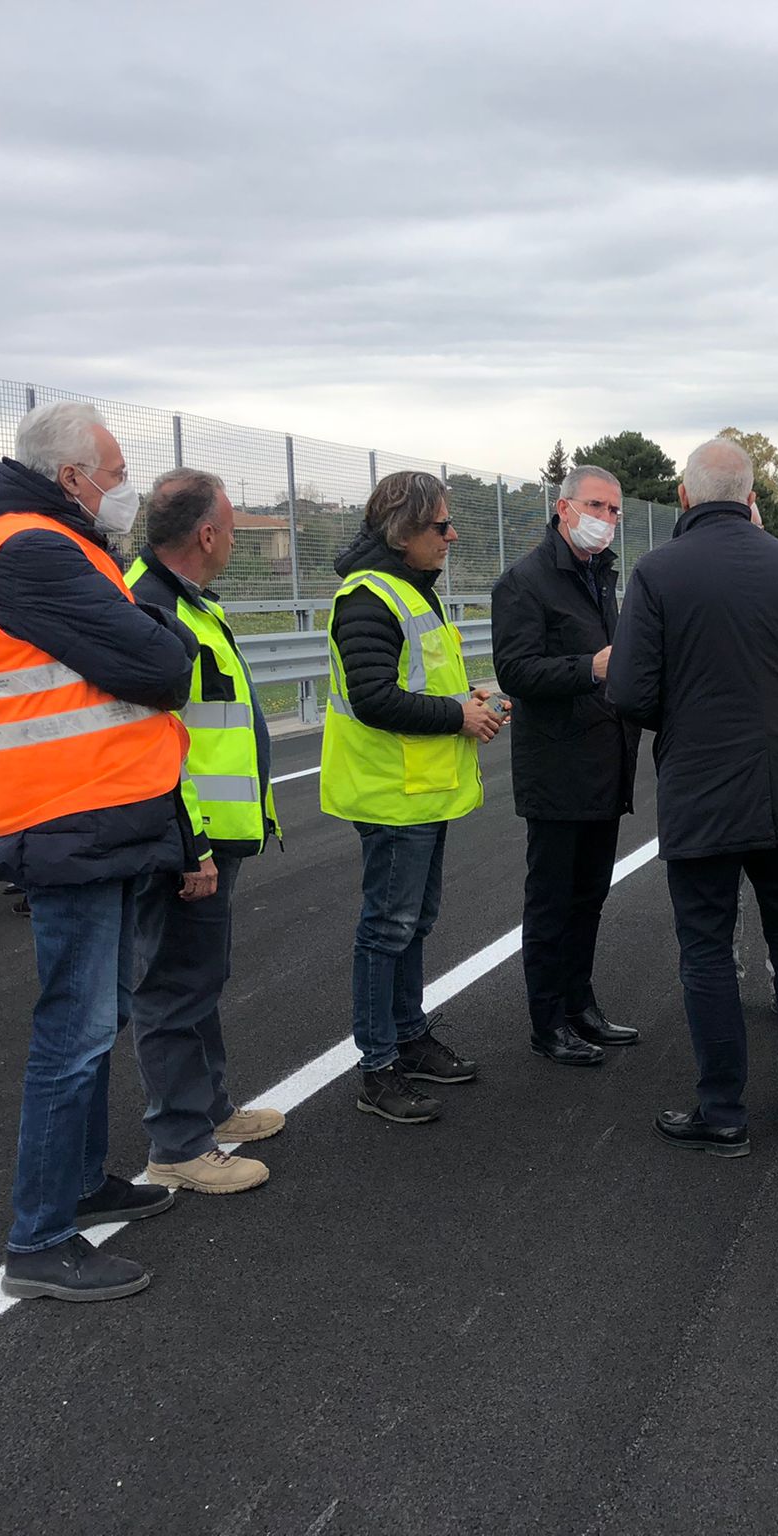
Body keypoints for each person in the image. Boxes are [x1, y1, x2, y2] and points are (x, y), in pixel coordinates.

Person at [0, 402, 198, 1302]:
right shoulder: (29, 548)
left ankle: (85, 1185)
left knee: (104, 1018)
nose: (123, 489)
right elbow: (161, 661)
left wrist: (152, 636)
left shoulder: (54, 542)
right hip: (68, 818)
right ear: (71, 478)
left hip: (100, 816)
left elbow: (147, 643)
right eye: (114, 471)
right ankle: (40, 1239)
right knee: (74, 1030)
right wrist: (157, 639)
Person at [609, 437, 778, 1157]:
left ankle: (723, 1111)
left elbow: (633, 691)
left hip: (701, 787)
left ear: (684, 495)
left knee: (705, 947)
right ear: (752, 496)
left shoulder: (659, 571)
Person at [323, 470, 503, 1123]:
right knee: (387, 930)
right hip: (390, 794)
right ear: (402, 530)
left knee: (412, 925)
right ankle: (377, 1068)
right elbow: (374, 696)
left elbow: (413, 681)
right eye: (440, 525)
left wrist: (465, 699)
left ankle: (408, 1035)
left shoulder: (408, 590)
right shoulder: (371, 597)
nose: (452, 534)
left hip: (420, 792)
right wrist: (457, 717)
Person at [124, 469, 280, 1195]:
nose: (236, 541)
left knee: (200, 977)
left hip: (210, 833)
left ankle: (210, 1110)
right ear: (207, 534)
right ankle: (178, 1143)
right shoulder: (152, 609)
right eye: (233, 528)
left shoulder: (181, 602)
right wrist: (191, 845)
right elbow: (155, 742)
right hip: (190, 840)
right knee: (172, 986)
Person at [490, 465, 642, 1068]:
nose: (605, 520)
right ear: (564, 507)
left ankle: (580, 1005)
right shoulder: (525, 582)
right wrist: (591, 668)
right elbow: (516, 672)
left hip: (605, 763)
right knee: (552, 901)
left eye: (614, 511)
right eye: (597, 507)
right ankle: (546, 1019)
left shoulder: (601, 577)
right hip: (557, 768)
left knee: (589, 898)